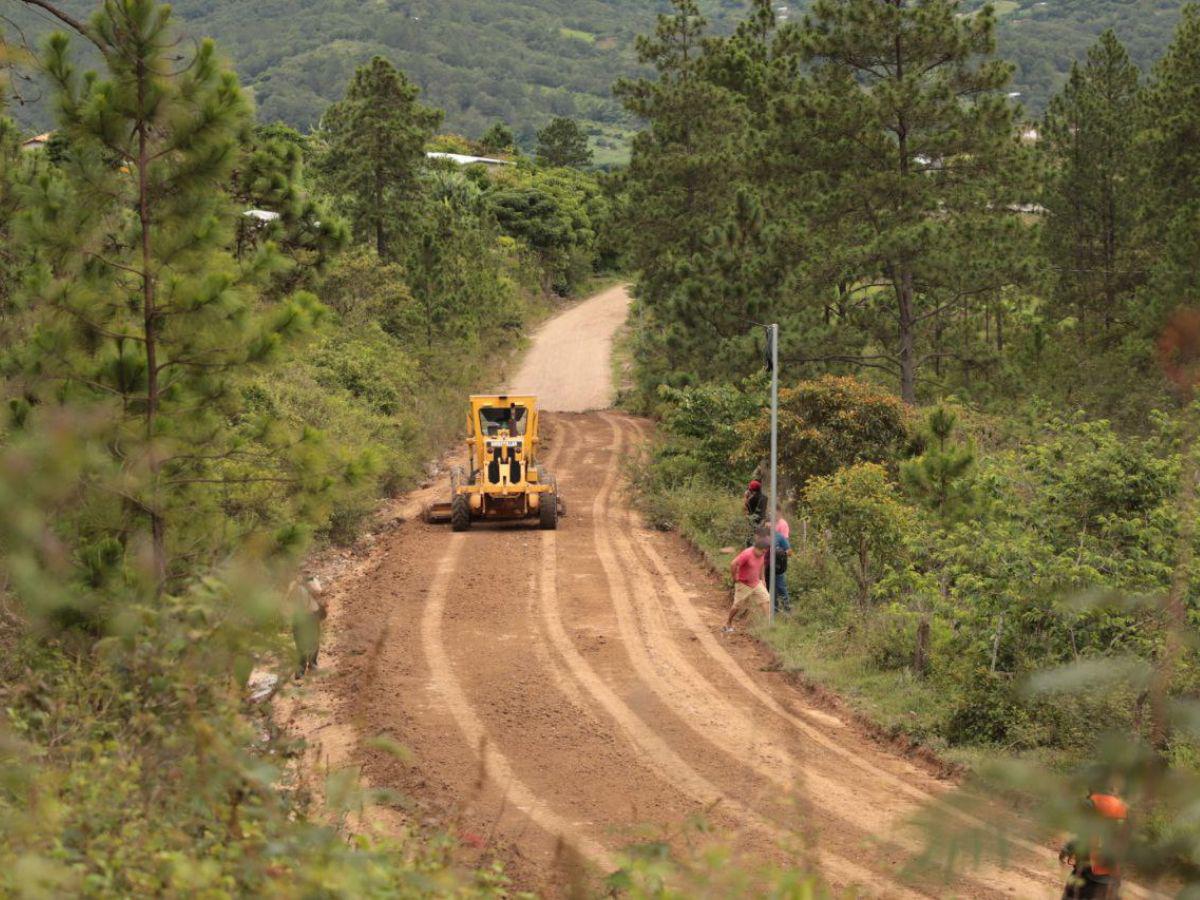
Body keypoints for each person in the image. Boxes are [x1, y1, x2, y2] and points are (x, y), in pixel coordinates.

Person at [1060, 791, 1129, 899]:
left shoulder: (1095, 809)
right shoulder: (1118, 817)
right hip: (1108, 879)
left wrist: (1067, 849)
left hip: (1092, 878)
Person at [724, 526, 771, 633]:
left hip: (756, 583)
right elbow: (733, 564)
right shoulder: (747, 554)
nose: (764, 554)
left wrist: (762, 579)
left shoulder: (762, 553)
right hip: (743, 584)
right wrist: (735, 578)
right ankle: (728, 623)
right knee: (737, 606)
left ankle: (768, 626)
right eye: (763, 552)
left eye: (765, 552)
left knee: (766, 600)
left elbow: (762, 565)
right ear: (757, 548)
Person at [291, 573, 328, 679]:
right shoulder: (294, 585)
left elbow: (319, 592)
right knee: (301, 644)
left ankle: (311, 666)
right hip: (301, 616)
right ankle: (303, 668)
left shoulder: (313, 581)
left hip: (310, 615)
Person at [772, 526, 791, 613]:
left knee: (781, 588)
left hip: (778, 568)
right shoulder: (763, 537)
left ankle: (787, 609)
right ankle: (774, 611)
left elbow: (789, 551)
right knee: (770, 590)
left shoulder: (779, 537)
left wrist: (781, 553)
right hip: (765, 569)